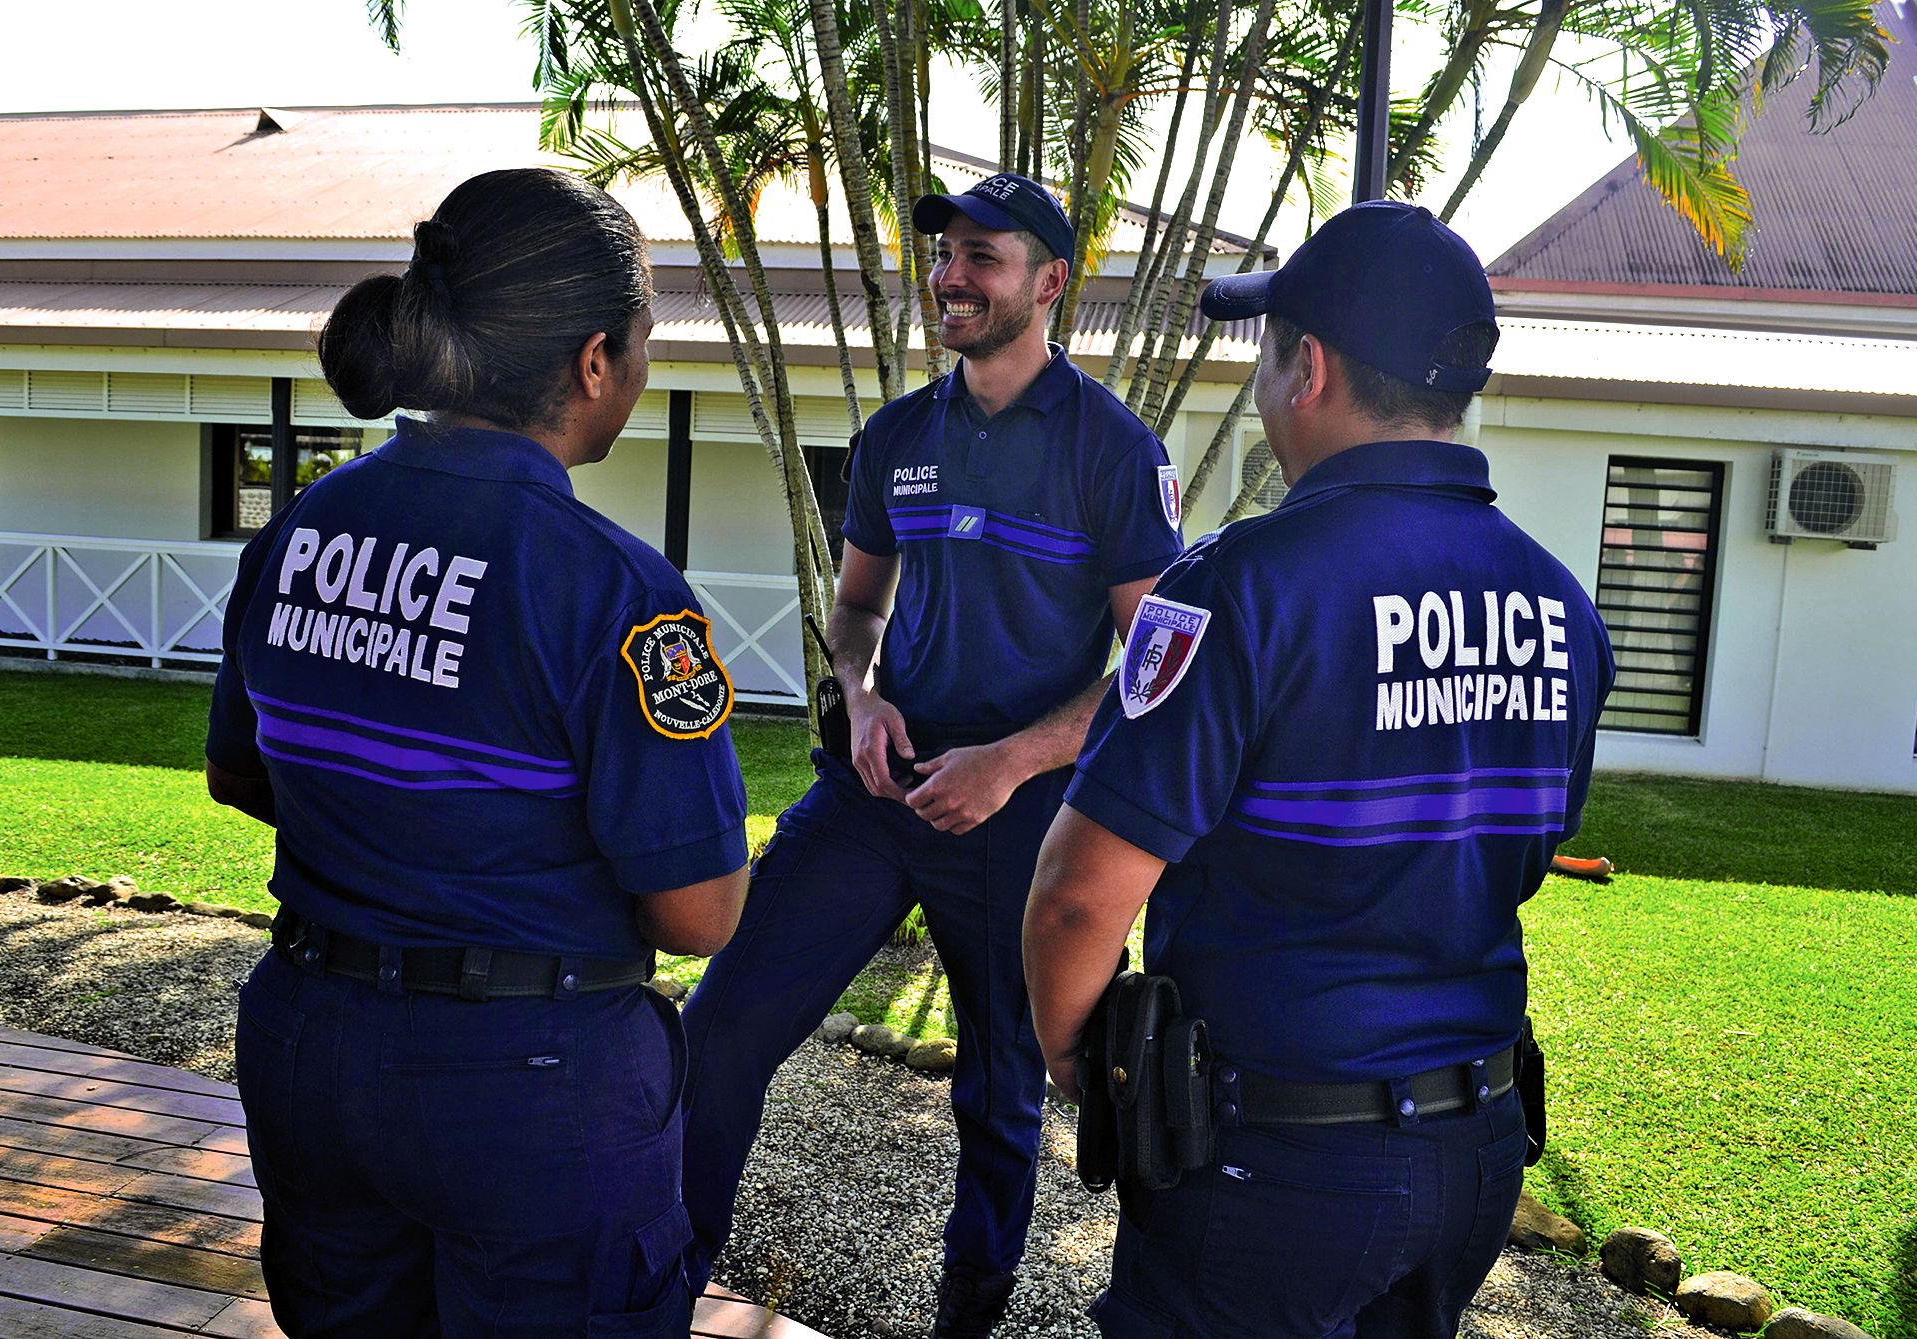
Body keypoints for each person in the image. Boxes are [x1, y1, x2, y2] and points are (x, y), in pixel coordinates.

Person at [1023, 200, 1616, 1339]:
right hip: (1477, 1142)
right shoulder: (1559, 603)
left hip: (1274, 1164)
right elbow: (1521, 857)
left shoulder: (1233, 587)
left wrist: (1077, 1061)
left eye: (1267, 347)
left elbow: (1076, 894)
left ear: (1310, 368)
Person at [204, 168, 750, 1338]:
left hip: (313, 1045)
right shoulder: (615, 590)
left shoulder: (300, 529)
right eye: (645, 343)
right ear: (593, 360)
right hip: (532, 1086)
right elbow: (699, 911)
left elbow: (241, 773)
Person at [679, 171, 1186, 1338]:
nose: (950, 277)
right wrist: (854, 696)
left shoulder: (1114, 451)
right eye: (944, 254)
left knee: (999, 1094)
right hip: (875, 791)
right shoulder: (899, 433)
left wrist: (1011, 762)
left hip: (1019, 817)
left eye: (981, 257)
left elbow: (1150, 668)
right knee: (716, 1035)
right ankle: (660, 1280)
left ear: (1050, 282)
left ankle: (968, 1310)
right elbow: (856, 610)